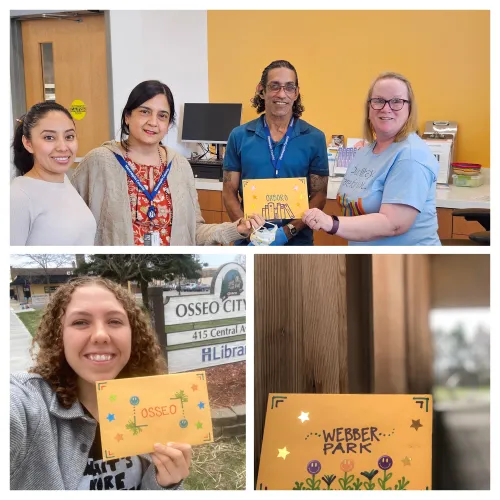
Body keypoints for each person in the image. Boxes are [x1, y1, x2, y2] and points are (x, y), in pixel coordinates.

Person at [11, 277, 191, 490]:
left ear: (133, 334)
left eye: (114, 321)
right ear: (60, 335)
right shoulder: (27, 405)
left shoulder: (152, 405)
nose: (100, 335)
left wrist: (165, 484)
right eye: (80, 322)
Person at [71, 80, 262, 246]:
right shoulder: (99, 161)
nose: (153, 122)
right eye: (145, 112)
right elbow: (73, 228)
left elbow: (193, 232)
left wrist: (237, 228)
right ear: (128, 116)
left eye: (162, 115)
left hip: (170, 273)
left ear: (169, 123)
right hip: (120, 275)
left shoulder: (179, 166)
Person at [303, 72, 440, 246]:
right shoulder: (364, 152)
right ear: (369, 108)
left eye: (397, 101)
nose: (386, 108)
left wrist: (331, 223)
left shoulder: (411, 156)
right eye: (379, 101)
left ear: (409, 109)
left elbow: (393, 224)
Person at [222, 60, 329, 246]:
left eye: (289, 87)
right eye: (274, 86)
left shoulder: (315, 138)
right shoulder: (239, 136)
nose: (282, 94)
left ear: (296, 93)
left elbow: (319, 196)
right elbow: (229, 192)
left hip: (297, 242)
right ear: (261, 90)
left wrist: (288, 232)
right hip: (249, 243)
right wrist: (248, 231)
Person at [10, 102, 96, 245]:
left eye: (69, 137)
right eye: (49, 137)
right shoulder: (18, 196)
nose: (63, 147)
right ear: (28, 143)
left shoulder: (65, 182)